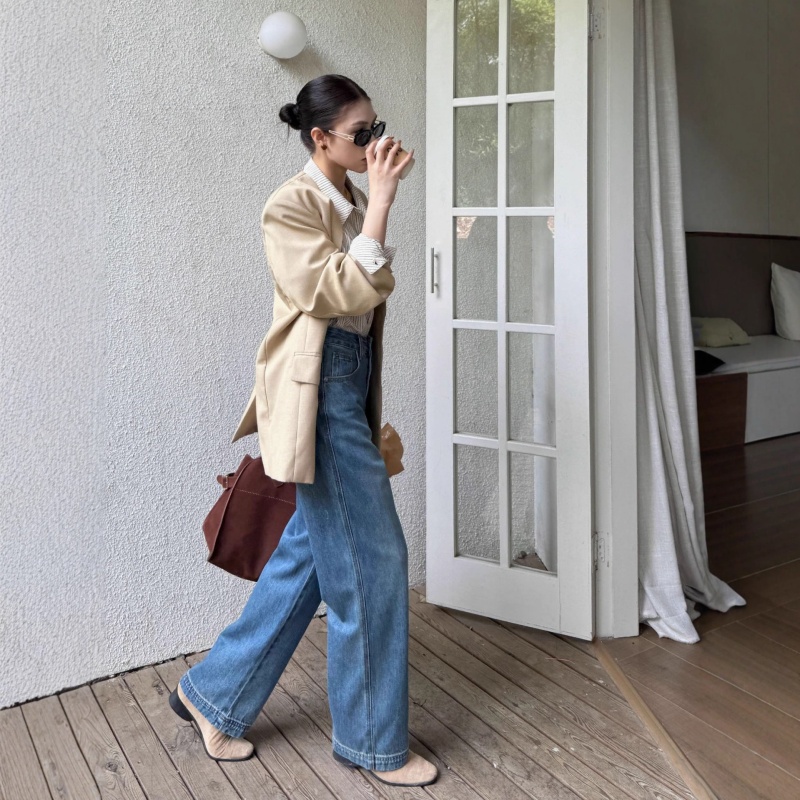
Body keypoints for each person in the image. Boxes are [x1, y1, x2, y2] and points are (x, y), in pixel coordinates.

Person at [168, 74, 438, 788]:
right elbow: (334, 292)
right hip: (320, 392)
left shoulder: (348, 203)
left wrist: (373, 206)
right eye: (360, 135)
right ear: (320, 138)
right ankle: (371, 743)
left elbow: (361, 302)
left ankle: (213, 695)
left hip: (345, 380)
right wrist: (383, 204)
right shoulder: (291, 204)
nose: (374, 145)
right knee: (374, 561)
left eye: (378, 129)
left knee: (312, 557)